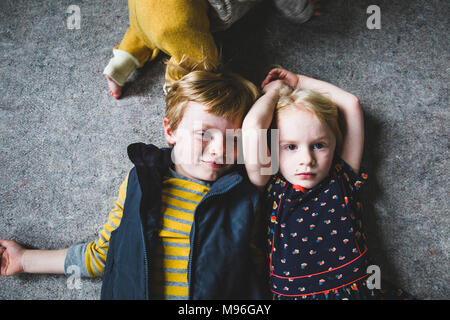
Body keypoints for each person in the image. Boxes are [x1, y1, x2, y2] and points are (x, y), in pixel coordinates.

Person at [0, 64, 270, 300]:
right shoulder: (142, 183)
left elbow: (260, 267)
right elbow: (105, 255)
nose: (219, 150)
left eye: (234, 138)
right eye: (203, 134)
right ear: (171, 130)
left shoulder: (246, 191)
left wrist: (278, 93)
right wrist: (23, 260)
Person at [241, 68, 414, 299]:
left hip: (359, 290)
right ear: (271, 148)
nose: (307, 160)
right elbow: (253, 129)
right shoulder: (270, 183)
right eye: (290, 147)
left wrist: (299, 81)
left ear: (334, 144)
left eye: (318, 145)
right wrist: (274, 93)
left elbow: (350, 103)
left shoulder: (342, 176)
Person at [104, 0, 319, 99]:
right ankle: (181, 100)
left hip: (141, 7)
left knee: (142, 29)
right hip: (179, 18)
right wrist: (304, 11)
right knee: (197, 64)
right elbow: (291, 6)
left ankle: (120, 64)